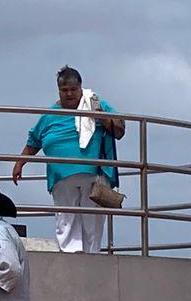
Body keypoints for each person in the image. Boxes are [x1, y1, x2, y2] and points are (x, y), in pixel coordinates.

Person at [12, 65, 125, 253]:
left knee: (92, 222)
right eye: (65, 90)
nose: (70, 94)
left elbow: (119, 130)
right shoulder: (50, 115)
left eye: (73, 89)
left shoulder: (96, 103)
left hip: (93, 174)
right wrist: (20, 162)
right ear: (59, 90)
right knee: (66, 219)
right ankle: (71, 255)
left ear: (81, 88)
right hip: (61, 176)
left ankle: (92, 256)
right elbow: (34, 141)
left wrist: (100, 115)